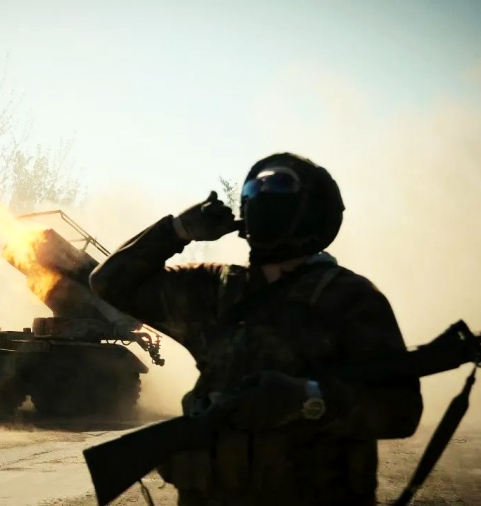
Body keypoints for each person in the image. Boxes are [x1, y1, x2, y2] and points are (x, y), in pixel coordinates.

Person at [89, 152, 424, 506]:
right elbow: (110, 283)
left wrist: (309, 399)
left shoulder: (350, 299)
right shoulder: (216, 290)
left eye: (279, 186)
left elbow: (402, 411)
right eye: (254, 189)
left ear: (311, 209)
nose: (262, 195)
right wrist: (178, 231)